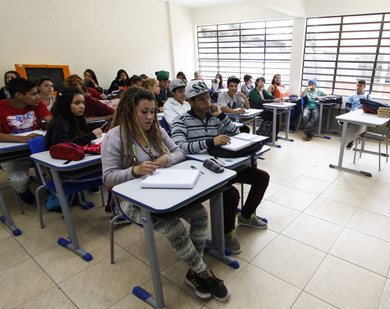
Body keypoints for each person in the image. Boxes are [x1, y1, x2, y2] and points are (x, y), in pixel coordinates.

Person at [101, 87, 230, 302]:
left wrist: (165, 160)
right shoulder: (115, 137)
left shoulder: (156, 131)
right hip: (131, 200)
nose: (151, 117)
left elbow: (179, 151)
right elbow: (108, 178)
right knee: (174, 227)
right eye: (144, 112)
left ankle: (193, 272)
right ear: (129, 111)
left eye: (153, 111)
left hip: (164, 189)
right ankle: (205, 273)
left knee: (200, 215)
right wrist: (134, 170)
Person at [171, 80, 270, 255]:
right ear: (190, 101)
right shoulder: (181, 120)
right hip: (201, 172)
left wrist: (221, 116)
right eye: (201, 99)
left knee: (262, 177)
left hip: (224, 166)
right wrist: (210, 141)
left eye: (208, 97)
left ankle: (246, 216)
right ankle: (227, 233)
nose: (207, 102)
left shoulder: (214, 117)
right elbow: (179, 146)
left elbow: (238, 133)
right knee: (231, 194)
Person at [0, 78, 52, 203]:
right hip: (13, 153)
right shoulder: (1, 107)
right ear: (18, 95)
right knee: (19, 180)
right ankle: (23, 190)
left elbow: (51, 121)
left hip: (37, 149)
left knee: (53, 173)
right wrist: (22, 139)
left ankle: (50, 188)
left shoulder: (38, 104)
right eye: (34, 94)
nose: (38, 97)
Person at [249, 77, 284, 141]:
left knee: (276, 114)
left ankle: (274, 135)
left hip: (264, 109)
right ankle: (270, 135)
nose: (263, 83)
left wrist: (278, 99)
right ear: (256, 82)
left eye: (263, 82)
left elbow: (269, 96)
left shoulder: (263, 90)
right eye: (261, 81)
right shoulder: (253, 92)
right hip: (258, 111)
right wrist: (274, 100)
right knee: (273, 115)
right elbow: (261, 101)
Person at [344, 79, 372, 149]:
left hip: (363, 114)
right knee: (351, 124)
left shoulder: (367, 96)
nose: (358, 87)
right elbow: (347, 106)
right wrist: (349, 113)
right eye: (357, 85)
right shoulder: (352, 96)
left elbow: (370, 107)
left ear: (364, 87)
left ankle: (352, 139)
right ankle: (350, 140)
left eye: (360, 86)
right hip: (353, 113)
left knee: (357, 125)